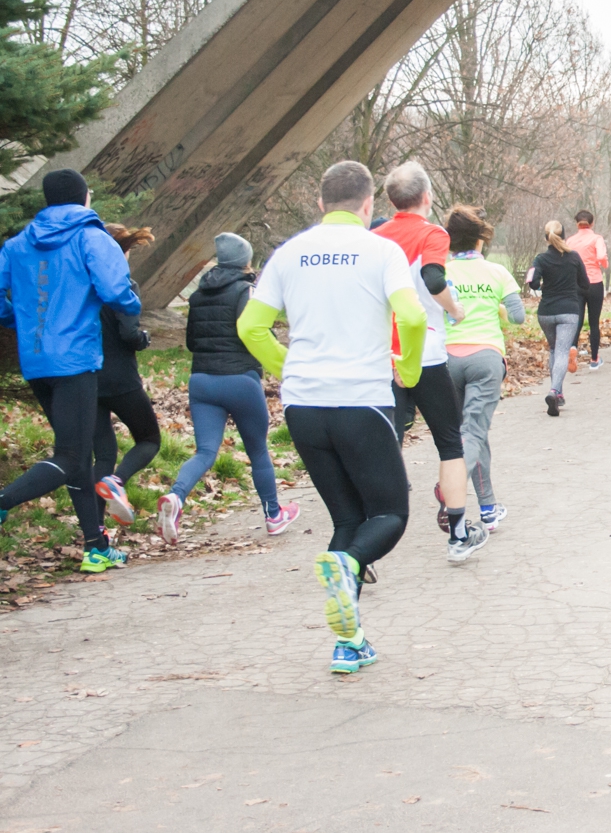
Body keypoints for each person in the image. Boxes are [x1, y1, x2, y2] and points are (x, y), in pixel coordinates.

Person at [238, 160, 429, 673]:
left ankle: (349, 642)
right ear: (370, 205)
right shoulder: (382, 249)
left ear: (321, 203)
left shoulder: (288, 253)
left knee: (347, 518)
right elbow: (411, 315)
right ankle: (348, 565)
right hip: (360, 398)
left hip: (303, 404)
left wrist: (290, 367)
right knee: (389, 514)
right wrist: (407, 367)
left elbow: (251, 327)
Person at [0, 169, 142, 574]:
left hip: (38, 361)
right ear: (85, 198)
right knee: (71, 455)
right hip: (76, 360)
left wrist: (17, 320)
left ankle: (96, 547)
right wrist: (132, 307)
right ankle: (3, 502)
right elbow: (117, 292)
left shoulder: (16, 244)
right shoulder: (92, 238)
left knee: (78, 457)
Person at [160, 232, 298, 545]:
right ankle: (273, 515)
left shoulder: (197, 295)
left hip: (202, 382)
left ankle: (176, 496)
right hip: (240, 380)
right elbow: (251, 332)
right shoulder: (246, 290)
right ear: (245, 261)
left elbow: (191, 342)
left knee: (206, 451)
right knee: (258, 450)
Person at [373, 162, 477, 556]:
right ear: (428, 197)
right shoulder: (433, 233)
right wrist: (456, 309)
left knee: (387, 445)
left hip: (384, 355)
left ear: (389, 199)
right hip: (427, 352)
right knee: (450, 443)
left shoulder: (375, 238)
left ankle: (367, 541)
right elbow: (434, 280)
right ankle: (458, 536)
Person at [444, 205, 523, 535]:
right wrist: (499, 307)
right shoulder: (496, 272)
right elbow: (519, 317)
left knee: (469, 433)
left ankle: (488, 508)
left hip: (446, 361)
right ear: (480, 240)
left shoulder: (439, 271)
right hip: (486, 359)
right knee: (473, 432)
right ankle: (448, 489)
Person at [91, 225, 162, 534]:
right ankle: (117, 481)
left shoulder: (84, 285)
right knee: (149, 439)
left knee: (103, 453)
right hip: (121, 378)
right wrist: (143, 338)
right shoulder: (124, 285)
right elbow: (128, 334)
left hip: (87, 379)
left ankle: (96, 529)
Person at [526, 220, 591, 417]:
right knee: (563, 350)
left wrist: (544, 286)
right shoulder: (573, 257)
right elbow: (586, 284)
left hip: (546, 311)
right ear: (563, 236)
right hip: (568, 310)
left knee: (554, 350)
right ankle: (554, 391)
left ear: (546, 237)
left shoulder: (541, 259)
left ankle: (559, 392)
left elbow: (533, 283)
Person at [567, 209, 609, 370]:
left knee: (576, 320)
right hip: (594, 282)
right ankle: (594, 359)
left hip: (576, 283)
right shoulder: (597, 239)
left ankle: (573, 349)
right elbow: (601, 257)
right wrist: (604, 265)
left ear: (576, 223)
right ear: (592, 223)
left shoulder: (570, 241)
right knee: (593, 322)